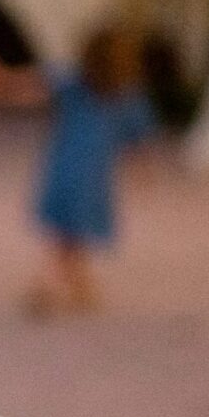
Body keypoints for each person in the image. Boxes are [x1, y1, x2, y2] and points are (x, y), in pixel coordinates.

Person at [27, 28, 157, 314]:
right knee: (70, 237)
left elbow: (32, 86)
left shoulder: (73, 85)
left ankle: (79, 289)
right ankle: (49, 286)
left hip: (61, 173)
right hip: (92, 181)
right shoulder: (128, 98)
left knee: (68, 236)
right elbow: (139, 143)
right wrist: (145, 173)